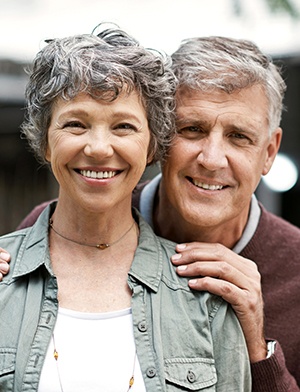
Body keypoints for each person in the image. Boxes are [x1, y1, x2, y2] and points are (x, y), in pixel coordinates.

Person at [0, 29, 251, 391]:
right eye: (75, 124)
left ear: (152, 147)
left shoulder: (205, 297)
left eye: (124, 126)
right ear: (45, 141)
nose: (100, 148)